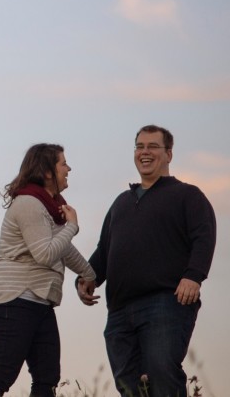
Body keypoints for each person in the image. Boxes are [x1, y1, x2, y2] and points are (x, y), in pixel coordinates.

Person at [78, 125, 217, 397]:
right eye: (139, 146)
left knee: (162, 375)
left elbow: (204, 236)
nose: (145, 152)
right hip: (118, 310)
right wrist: (87, 277)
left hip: (165, 303)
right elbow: (105, 250)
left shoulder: (188, 195)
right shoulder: (121, 202)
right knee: (129, 385)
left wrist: (194, 275)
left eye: (153, 146)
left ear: (169, 154)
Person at [0, 143, 95, 397]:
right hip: (15, 299)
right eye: (63, 163)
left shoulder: (49, 207)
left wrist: (89, 274)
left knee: (47, 378)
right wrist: (72, 227)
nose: (69, 168)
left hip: (37, 301)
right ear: (48, 172)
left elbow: (61, 249)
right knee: (0, 375)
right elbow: (45, 254)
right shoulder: (29, 203)